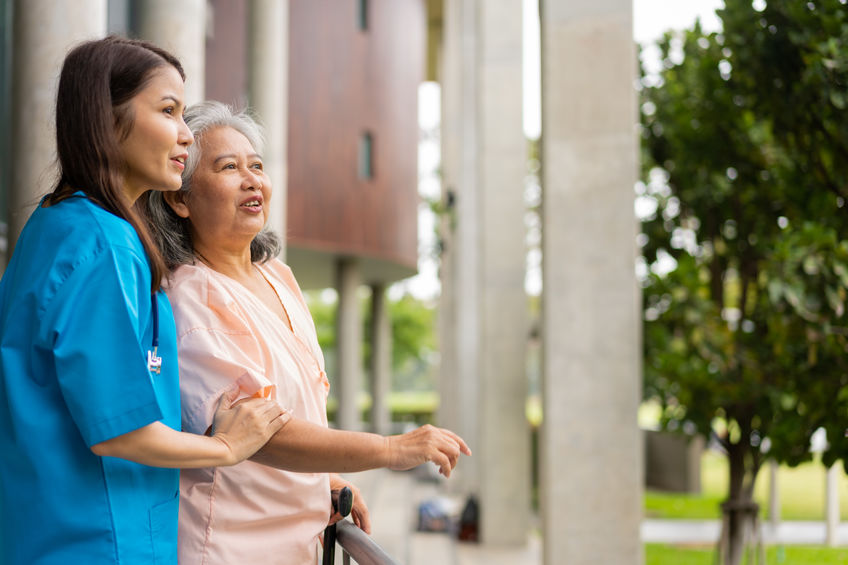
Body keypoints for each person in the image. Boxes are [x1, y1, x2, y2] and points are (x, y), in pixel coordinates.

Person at [0, 37, 287, 565]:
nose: (185, 135)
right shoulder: (101, 241)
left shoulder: (58, 223)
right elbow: (122, 431)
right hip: (91, 542)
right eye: (168, 110)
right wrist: (228, 448)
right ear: (106, 120)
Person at [145, 101, 471, 564]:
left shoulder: (277, 275)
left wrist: (325, 479)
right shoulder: (190, 296)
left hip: (299, 542)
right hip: (232, 546)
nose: (251, 179)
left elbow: (298, 411)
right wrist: (390, 449)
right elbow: (261, 432)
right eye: (228, 167)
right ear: (180, 199)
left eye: (256, 165)